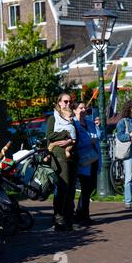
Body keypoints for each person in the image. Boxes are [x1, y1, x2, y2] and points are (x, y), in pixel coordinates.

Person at [46, 93, 77, 231]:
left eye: (70, 102)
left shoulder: (70, 117)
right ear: (59, 102)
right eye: (65, 101)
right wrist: (66, 134)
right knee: (62, 187)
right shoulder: (53, 118)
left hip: (72, 157)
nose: (68, 104)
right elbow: (50, 136)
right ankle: (59, 219)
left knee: (70, 189)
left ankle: (68, 218)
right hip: (58, 156)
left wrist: (71, 141)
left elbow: (75, 136)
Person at [72, 101, 100, 225]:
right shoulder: (73, 123)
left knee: (90, 187)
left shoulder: (89, 122)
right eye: (81, 108)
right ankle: (83, 216)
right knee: (85, 186)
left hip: (93, 157)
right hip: (81, 159)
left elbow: (98, 136)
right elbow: (75, 140)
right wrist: (89, 140)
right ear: (74, 110)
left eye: (85, 108)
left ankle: (81, 213)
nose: (84, 110)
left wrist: (98, 128)